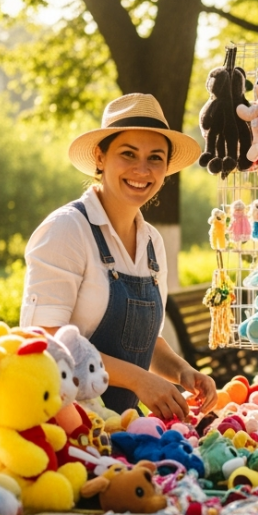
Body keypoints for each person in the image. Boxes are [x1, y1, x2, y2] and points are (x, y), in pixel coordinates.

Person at [20, 94, 217, 419]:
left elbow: (141, 340)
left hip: (117, 427)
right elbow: (43, 340)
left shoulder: (152, 241)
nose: (142, 169)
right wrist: (141, 380)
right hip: (63, 425)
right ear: (100, 157)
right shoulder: (67, 230)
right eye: (128, 154)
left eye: (156, 158)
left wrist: (183, 372)